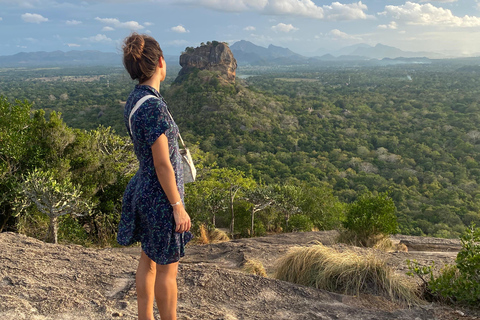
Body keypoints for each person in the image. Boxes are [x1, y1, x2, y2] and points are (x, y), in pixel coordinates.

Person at [117, 33, 193, 320]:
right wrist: (177, 206)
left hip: (143, 189)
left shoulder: (136, 99)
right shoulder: (154, 107)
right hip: (160, 198)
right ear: (160, 62)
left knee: (148, 260)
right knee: (167, 269)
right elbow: (163, 164)